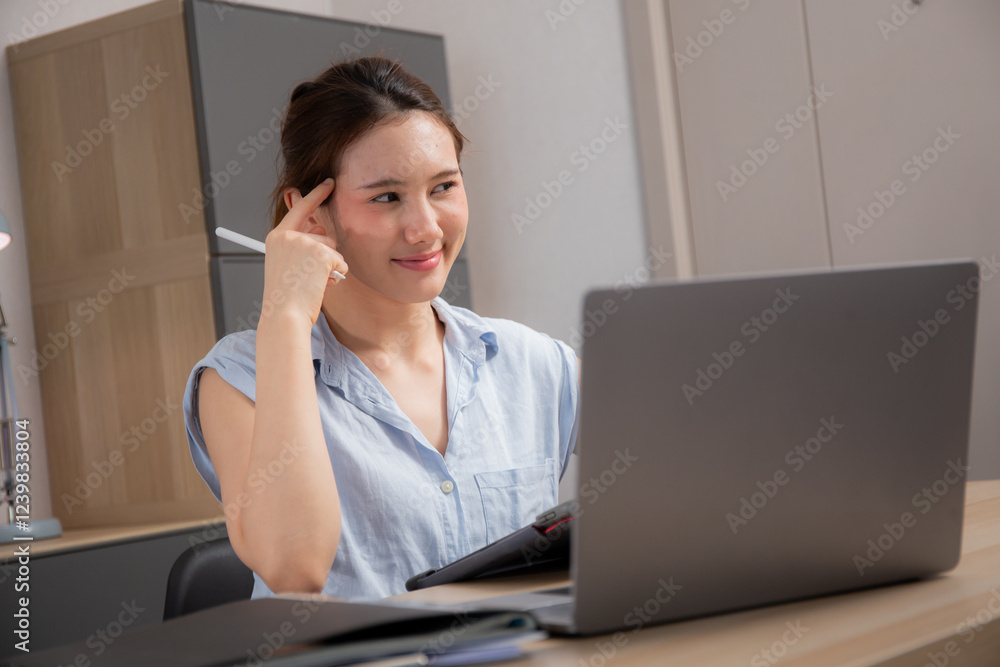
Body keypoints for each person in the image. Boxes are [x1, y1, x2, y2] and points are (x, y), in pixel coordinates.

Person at [181, 56, 580, 601]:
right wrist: (287, 316)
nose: (426, 229)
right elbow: (293, 568)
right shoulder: (236, 380)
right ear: (311, 215)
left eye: (443, 187)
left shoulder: (536, 364)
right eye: (387, 197)